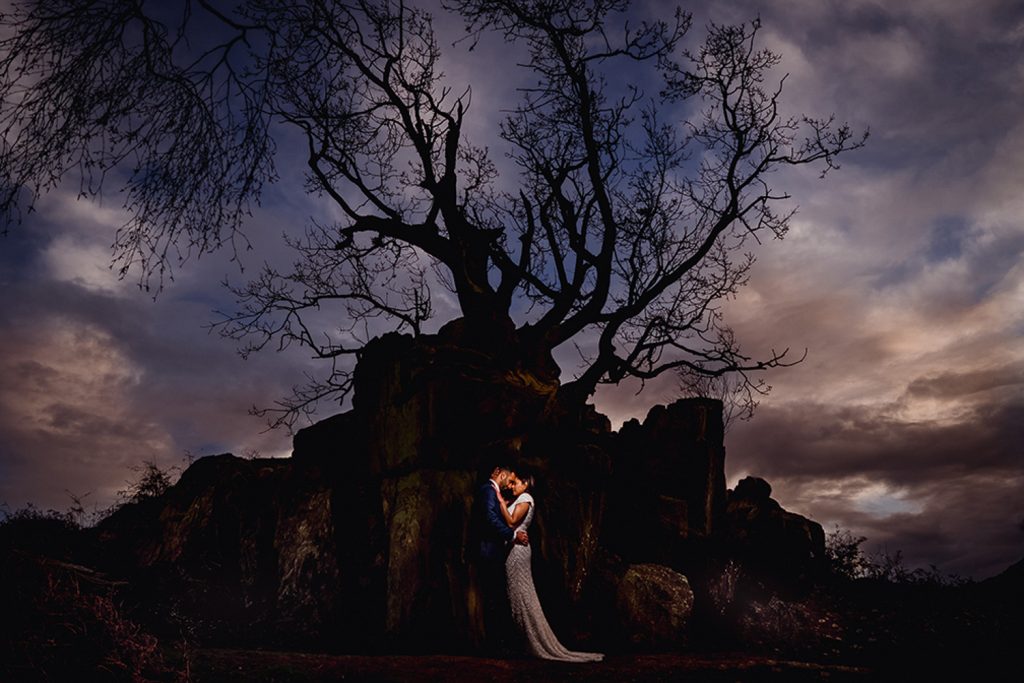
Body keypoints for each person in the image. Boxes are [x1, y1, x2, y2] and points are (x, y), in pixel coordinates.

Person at [497, 471, 604, 662]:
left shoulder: (526, 497)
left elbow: (512, 521)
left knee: (522, 594)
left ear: (526, 485)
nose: (513, 486)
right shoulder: (520, 497)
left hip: (518, 551)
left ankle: (532, 641)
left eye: (517, 483)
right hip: (512, 549)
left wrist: (500, 502)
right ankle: (523, 642)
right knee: (516, 595)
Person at [470, 463, 528, 655]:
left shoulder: (492, 492)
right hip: (488, 551)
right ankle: (496, 646)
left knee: (494, 596)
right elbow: (489, 518)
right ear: (501, 475)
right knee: (494, 597)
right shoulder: (488, 490)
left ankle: (497, 644)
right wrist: (512, 536)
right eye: (510, 480)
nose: (510, 485)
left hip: (491, 551)